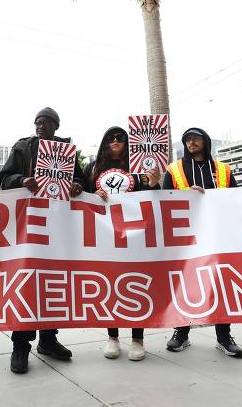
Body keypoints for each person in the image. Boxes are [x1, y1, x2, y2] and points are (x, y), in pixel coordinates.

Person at [0, 107, 85, 374]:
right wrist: (22, 180)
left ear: (56, 126)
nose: (40, 126)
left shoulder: (66, 150)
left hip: (57, 229)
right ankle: (21, 345)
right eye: (37, 122)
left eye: (46, 123)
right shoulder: (23, 147)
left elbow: (82, 180)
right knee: (26, 284)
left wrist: (78, 185)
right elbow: (4, 179)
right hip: (28, 229)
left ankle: (48, 340)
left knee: (52, 285)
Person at [163, 127, 242, 358]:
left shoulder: (224, 170)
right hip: (186, 237)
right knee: (185, 284)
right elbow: (163, 200)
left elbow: (235, 199)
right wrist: (186, 195)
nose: (191, 142)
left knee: (220, 284)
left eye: (195, 138)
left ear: (205, 141)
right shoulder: (174, 169)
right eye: (187, 139)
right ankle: (181, 332)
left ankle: (223, 336)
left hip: (218, 236)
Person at [83, 126, 160, 361]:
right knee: (109, 283)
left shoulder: (140, 168)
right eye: (110, 138)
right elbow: (81, 197)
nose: (115, 141)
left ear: (128, 143)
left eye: (120, 138)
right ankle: (112, 337)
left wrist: (156, 182)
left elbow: (155, 196)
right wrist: (93, 195)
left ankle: (138, 339)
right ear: (104, 142)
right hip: (104, 234)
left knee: (136, 283)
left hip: (135, 234)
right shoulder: (92, 168)